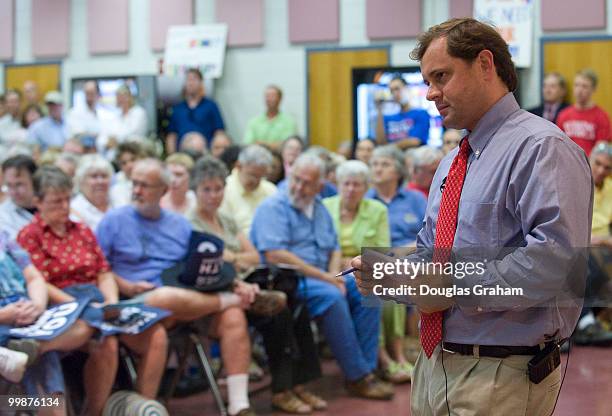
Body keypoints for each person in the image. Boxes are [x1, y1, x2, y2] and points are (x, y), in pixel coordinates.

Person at [352, 18, 592, 416]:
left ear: (485, 64)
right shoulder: (451, 162)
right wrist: (388, 275)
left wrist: (450, 288)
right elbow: (433, 253)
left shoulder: (541, 148)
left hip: (501, 371)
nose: (430, 93)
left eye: (441, 76)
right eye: (427, 80)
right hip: (432, 363)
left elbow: (554, 264)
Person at [97, 158, 270, 416]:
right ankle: (145, 410)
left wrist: (235, 283)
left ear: (164, 191)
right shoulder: (113, 220)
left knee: (233, 318)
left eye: (145, 186)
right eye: (135, 184)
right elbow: (101, 269)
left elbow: (199, 267)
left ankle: (239, 405)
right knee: (164, 298)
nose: (137, 191)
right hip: (137, 304)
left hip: (184, 302)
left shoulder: (178, 225)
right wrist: (127, 285)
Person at [17, 166, 168, 416]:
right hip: (62, 303)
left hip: (98, 299)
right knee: (105, 341)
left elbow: (104, 271)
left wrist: (110, 301)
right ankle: (94, 412)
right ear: (38, 202)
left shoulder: (81, 229)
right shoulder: (30, 236)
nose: (64, 206)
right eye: (56, 201)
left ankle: (140, 407)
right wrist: (81, 307)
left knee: (157, 334)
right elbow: (40, 284)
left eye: (67, 199)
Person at [251, 153, 393, 400]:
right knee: (331, 297)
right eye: (296, 179)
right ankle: (357, 376)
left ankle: (367, 368)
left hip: (322, 274)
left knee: (368, 286)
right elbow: (275, 255)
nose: (299, 187)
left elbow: (333, 246)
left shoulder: (318, 207)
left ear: (319, 185)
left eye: (307, 183)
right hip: (288, 279)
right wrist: (328, 278)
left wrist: (334, 274)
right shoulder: (273, 207)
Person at [188, 156, 325, 413]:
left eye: (218, 189)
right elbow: (206, 266)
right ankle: (282, 390)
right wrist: (233, 262)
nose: (213, 195)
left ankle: (300, 384)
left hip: (248, 284)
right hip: (218, 293)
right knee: (280, 314)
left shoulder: (225, 219)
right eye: (207, 189)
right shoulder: (189, 224)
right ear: (195, 190)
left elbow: (252, 256)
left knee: (297, 305)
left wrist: (230, 258)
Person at [220, 145, 277, 236]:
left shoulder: (271, 190)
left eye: (261, 176)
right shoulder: (224, 190)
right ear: (238, 166)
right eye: (252, 175)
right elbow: (226, 231)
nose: (256, 181)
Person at [166, 68, 225, 153]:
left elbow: (219, 132)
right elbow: (172, 136)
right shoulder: (178, 109)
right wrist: (172, 155)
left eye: (194, 79)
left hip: (205, 153)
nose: (191, 83)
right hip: (182, 154)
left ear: (201, 83)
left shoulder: (211, 106)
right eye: (188, 80)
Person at [556, 69, 610, 156]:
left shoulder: (601, 116)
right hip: (567, 163)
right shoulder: (563, 115)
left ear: (593, 89)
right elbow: (558, 143)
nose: (579, 90)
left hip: (589, 165)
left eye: (584, 86)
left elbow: (601, 150)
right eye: (577, 85)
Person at [375, 77, 430, 149]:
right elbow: (380, 143)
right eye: (391, 91)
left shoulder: (421, 113)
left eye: (397, 89)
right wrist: (379, 109)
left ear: (407, 89)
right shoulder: (389, 117)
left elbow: (415, 141)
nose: (394, 94)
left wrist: (388, 148)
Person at [70, 154, 115, 231]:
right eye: (94, 176)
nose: (100, 181)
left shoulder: (118, 201)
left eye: (104, 176)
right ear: (81, 180)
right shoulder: (74, 209)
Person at [244, 85, 297, 149]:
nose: (269, 99)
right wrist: (273, 145)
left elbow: (286, 146)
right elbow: (247, 144)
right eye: (267, 96)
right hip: (255, 157)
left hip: (279, 158)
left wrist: (261, 144)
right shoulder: (254, 121)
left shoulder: (289, 121)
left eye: (273, 96)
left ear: (280, 99)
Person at [0, 155, 37, 239]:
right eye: (9, 185)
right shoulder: (3, 215)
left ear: (34, 180)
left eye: (19, 184)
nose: (14, 192)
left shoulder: (54, 204)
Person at [66, 81, 104, 153]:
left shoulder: (103, 113)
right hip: (80, 154)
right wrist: (95, 136)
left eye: (92, 93)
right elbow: (79, 136)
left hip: (99, 154)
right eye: (87, 93)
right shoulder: (74, 112)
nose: (89, 97)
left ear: (98, 94)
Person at [27, 91, 69, 158]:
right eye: (49, 105)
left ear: (62, 106)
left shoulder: (71, 123)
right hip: (47, 161)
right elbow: (34, 152)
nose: (52, 108)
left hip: (70, 158)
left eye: (55, 105)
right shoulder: (37, 127)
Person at [110, 141, 144, 207]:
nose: (129, 165)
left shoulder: (154, 178)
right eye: (124, 163)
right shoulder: (117, 188)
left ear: (142, 158)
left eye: (133, 159)